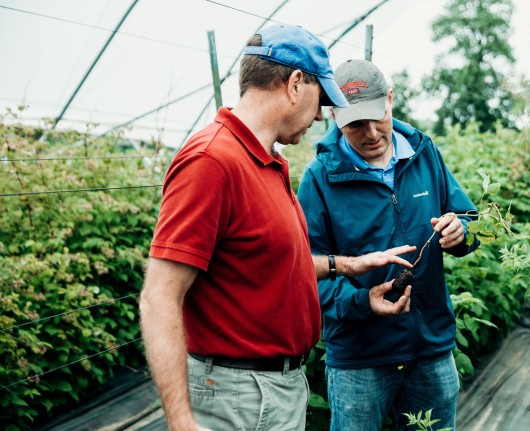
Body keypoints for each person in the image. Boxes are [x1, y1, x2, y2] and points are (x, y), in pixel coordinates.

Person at [139, 25, 415, 431]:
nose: (321, 116)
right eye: (321, 101)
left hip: (272, 389)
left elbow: (267, 261)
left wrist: (347, 265)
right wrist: (181, 421)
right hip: (239, 395)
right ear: (295, 84)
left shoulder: (266, 162)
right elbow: (158, 298)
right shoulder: (212, 162)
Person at [297, 59, 481, 431]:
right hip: (359, 361)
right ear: (334, 117)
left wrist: (461, 231)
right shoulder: (319, 180)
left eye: (375, 117)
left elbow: (472, 220)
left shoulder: (423, 152)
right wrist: (362, 302)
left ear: (390, 100)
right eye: (354, 124)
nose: (370, 133)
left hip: (431, 349)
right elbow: (306, 271)